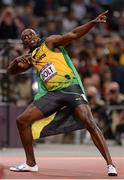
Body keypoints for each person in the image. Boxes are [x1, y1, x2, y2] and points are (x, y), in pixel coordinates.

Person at [7, 11, 117, 176]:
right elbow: (12, 72)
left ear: (37, 35)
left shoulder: (50, 43)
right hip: (53, 94)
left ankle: (110, 165)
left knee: (89, 122)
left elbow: (73, 34)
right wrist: (15, 62)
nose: (30, 38)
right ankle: (31, 163)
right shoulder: (32, 58)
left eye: (31, 35)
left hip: (70, 88)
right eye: (25, 38)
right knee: (22, 121)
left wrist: (93, 22)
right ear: (24, 43)